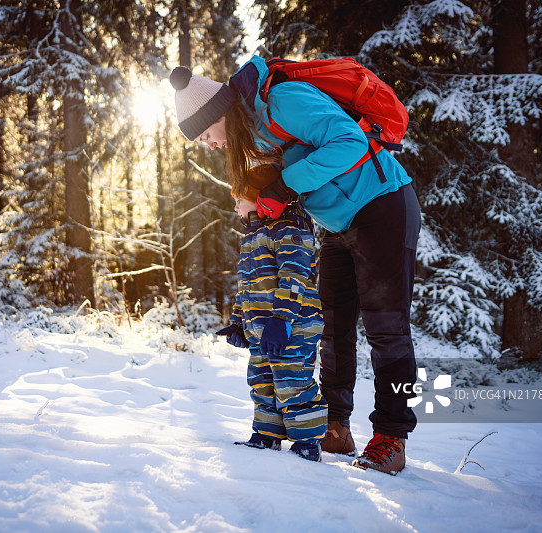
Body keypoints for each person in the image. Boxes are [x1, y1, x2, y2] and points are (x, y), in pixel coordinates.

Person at [170, 55, 421, 475]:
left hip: (384, 206)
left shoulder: (282, 101)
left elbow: (350, 143)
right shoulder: (254, 133)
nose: (210, 145)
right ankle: (336, 427)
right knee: (333, 326)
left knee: (387, 327)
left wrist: (283, 187)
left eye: (206, 135)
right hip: (339, 224)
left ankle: (391, 438)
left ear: (218, 114)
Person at [215, 163, 328, 462]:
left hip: (293, 326)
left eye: (240, 199)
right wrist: (239, 322)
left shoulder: (290, 228)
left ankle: (308, 442)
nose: (236, 206)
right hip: (262, 330)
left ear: (261, 197)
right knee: (262, 380)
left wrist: (282, 318)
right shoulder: (251, 238)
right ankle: (267, 435)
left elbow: (295, 277)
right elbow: (246, 288)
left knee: (293, 382)